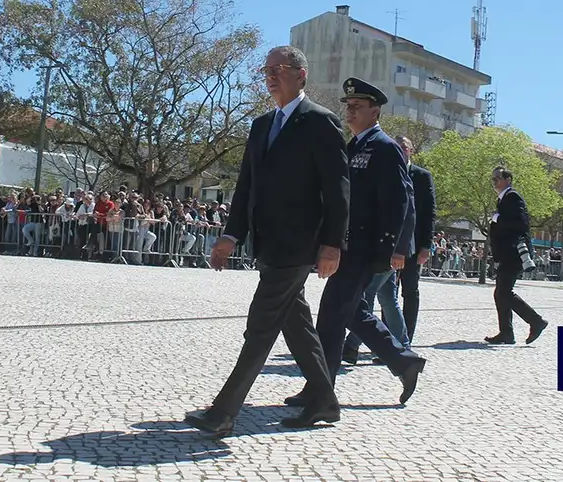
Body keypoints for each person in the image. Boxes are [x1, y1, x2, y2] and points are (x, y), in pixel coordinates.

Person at [184, 46, 348, 437]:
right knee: (297, 326)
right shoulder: (261, 126)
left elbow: (338, 190)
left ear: (301, 75)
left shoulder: (321, 123)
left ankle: (223, 411)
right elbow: (246, 189)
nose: (270, 75)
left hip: (298, 243)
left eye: (279, 69)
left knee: (260, 326)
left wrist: (332, 244)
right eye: (267, 69)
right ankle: (325, 400)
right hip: (268, 243)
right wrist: (230, 234)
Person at [285, 78, 426, 408]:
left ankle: (320, 388)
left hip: (367, 248)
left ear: (375, 112)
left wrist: (397, 248)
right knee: (353, 312)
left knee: (332, 316)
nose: (350, 111)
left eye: (357, 106)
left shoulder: (385, 147)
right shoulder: (354, 146)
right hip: (347, 246)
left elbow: (402, 202)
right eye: (347, 106)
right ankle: (404, 360)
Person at [343, 133, 435, 361]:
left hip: (396, 247)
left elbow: (415, 213)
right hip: (384, 245)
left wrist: (418, 246)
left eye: (404, 147)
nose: (400, 150)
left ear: (410, 150)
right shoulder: (387, 167)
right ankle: (401, 346)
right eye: (397, 147)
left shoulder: (418, 176)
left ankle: (353, 345)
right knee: (387, 297)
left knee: (368, 293)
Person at [486, 167, 548, 345]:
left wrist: (498, 218)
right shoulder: (503, 199)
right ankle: (506, 333)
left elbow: (521, 223)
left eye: (498, 178)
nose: (494, 182)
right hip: (507, 254)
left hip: (515, 253)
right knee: (500, 293)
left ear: (508, 179)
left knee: (504, 291)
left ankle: (536, 321)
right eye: (493, 179)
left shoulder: (513, 196)